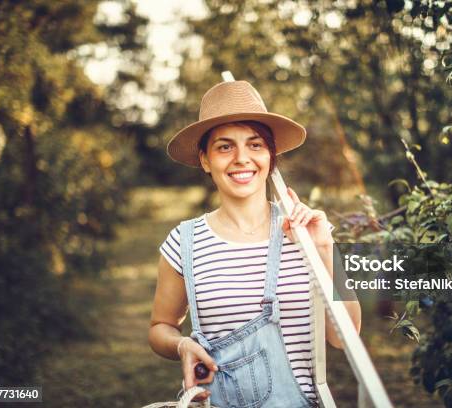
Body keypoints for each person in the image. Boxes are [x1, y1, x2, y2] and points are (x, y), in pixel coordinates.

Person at [148, 80, 361, 407]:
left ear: (271, 156)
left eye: (255, 144)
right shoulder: (184, 242)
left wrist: (323, 248)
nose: (241, 158)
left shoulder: (305, 232)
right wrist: (181, 346)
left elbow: (344, 337)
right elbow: (161, 327)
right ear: (205, 160)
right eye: (224, 147)